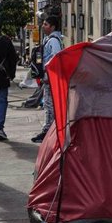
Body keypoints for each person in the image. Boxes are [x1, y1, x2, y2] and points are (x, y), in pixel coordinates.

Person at [31, 15, 63, 143]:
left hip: (50, 78)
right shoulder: (49, 40)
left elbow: (56, 58)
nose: (43, 26)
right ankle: (49, 130)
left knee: (49, 104)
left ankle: (48, 131)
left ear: (53, 26)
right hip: (48, 77)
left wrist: (49, 74)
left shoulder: (54, 41)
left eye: (46, 24)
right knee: (48, 103)